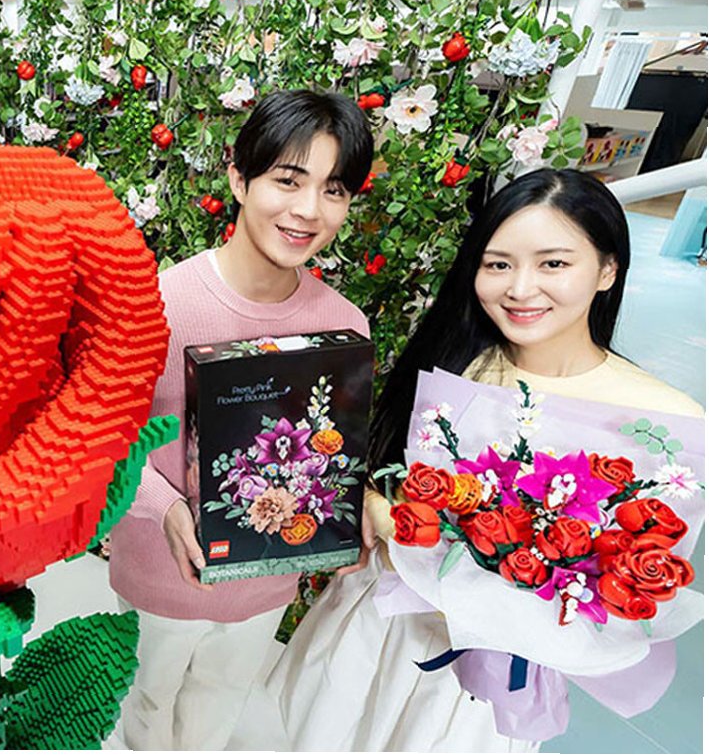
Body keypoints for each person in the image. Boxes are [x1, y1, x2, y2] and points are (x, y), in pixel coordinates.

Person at [265, 167, 704, 751]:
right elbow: (380, 477)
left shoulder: (663, 422)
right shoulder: (459, 363)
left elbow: (632, 585)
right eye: (498, 264)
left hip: (481, 682)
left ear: (608, 269)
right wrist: (373, 507)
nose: (520, 289)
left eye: (553, 263)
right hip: (376, 628)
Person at [107, 89, 374, 750]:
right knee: (146, 707)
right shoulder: (157, 305)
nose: (308, 209)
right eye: (288, 180)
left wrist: (346, 517)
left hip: (265, 585)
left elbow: (330, 450)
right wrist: (166, 508)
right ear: (238, 178)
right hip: (160, 576)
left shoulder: (343, 324)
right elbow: (105, 439)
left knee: (216, 713)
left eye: (334, 190)